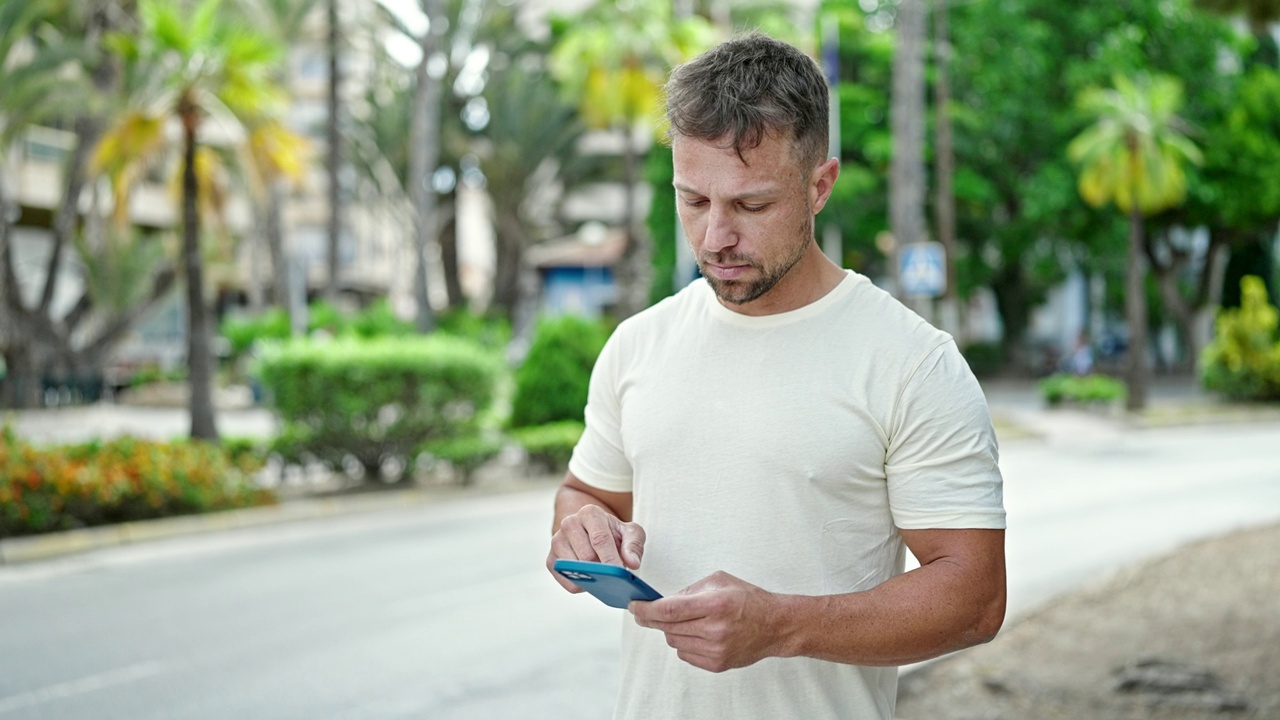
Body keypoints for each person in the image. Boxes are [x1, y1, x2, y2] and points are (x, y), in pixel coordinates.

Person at [547, 32, 1006, 720]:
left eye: (750, 205)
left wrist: (781, 625)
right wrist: (581, 526)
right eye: (693, 200)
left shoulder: (912, 362)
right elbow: (586, 492)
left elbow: (975, 600)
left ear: (820, 185)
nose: (713, 237)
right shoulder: (638, 344)